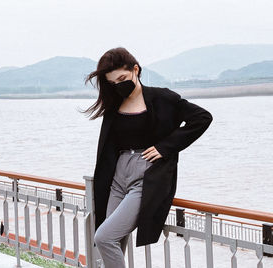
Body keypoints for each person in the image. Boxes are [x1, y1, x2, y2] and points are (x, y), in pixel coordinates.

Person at [80, 47, 213, 268]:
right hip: (117, 177)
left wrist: (165, 147)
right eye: (112, 83)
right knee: (114, 239)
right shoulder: (114, 105)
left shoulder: (162, 98)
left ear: (135, 69)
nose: (118, 85)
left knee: (104, 237)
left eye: (122, 78)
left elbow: (202, 118)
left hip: (146, 177)